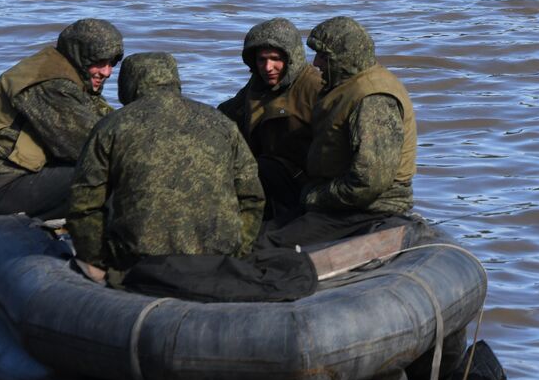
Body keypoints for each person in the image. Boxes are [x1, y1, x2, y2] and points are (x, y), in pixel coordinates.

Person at [66, 52, 265, 282]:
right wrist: (238, 254)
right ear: (174, 79)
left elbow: (83, 204)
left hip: (140, 263)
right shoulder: (221, 123)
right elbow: (252, 197)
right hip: (218, 259)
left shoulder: (111, 126)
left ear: (127, 84)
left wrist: (100, 262)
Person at [266, 16, 419, 248]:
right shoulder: (346, 86)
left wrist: (316, 197)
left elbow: (369, 182)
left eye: (323, 57)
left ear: (343, 59)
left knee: (271, 245)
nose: (316, 63)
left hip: (368, 209)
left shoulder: (373, 99)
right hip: (340, 201)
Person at [0, 18, 123, 219]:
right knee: (110, 174)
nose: (107, 72)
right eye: (99, 62)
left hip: (3, 178)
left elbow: (104, 120)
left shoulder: (66, 70)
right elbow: (91, 148)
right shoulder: (52, 86)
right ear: (80, 55)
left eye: (112, 63)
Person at [217, 18, 323, 222]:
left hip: (299, 180)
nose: (268, 67)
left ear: (291, 58)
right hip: (262, 171)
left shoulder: (314, 87)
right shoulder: (256, 85)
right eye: (261, 60)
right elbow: (224, 116)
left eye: (275, 58)